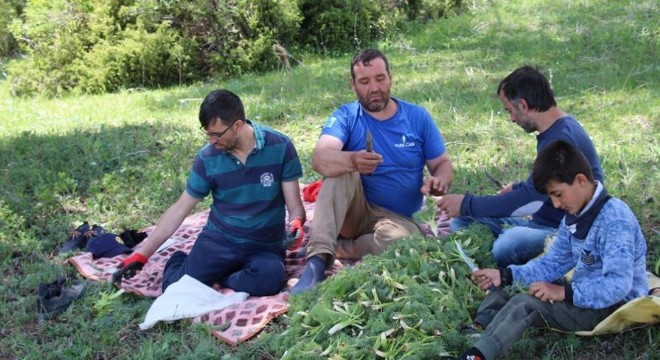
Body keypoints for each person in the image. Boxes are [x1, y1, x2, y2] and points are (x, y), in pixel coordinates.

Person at [455, 140, 648, 360]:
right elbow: (552, 263)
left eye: (558, 194)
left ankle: (476, 356)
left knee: (527, 304)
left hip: (612, 306)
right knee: (514, 285)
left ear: (581, 180)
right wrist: (505, 275)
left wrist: (564, 293)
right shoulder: (574, 217)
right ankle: (479, 327)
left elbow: (618, 286)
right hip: (582, 290)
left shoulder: (615, 221)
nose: (556, 204)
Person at [290, 48, 453, 294]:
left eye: (380, 79)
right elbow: (320, 159)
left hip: (398, 220)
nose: (374, 88)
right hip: (354, 212)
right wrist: (353, 160)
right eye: (364, 82)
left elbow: (442, 163)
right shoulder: (346, 116)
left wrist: (439, 180)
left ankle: (341, 248)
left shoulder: (417, 117)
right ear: (353, 85)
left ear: (391, 78)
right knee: (339, 169)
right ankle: (316, 263)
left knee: (406, 245)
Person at [115, 89, 306, 296]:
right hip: (220, 241)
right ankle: (183, 261)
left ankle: (223, 277)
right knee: (174, 288)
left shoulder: (280, 146)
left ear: (238, 126)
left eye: (217, 134)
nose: (211, 140)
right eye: (208, 134)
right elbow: (180, 208)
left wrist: (296, 223)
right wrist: (143, 254)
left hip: (264, 244)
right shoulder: (207, 158)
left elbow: (295, 205)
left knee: (269, 280)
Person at [437, 66, 604, 267]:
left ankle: (521, 265)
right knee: (462, 222)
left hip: (566, 231)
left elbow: (530, 202)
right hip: (541, 222)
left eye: (510, 110)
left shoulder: (560, 139)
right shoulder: (557, 129)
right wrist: (515, 189)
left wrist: (466, 203)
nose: (512, 119)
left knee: (508, 244)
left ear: (523, 105)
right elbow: (545, 186)